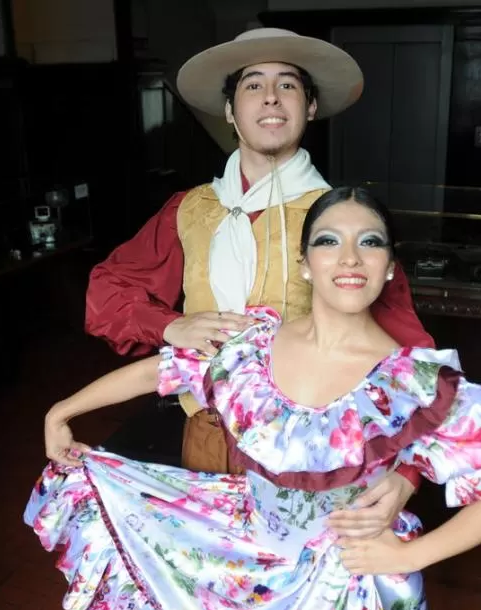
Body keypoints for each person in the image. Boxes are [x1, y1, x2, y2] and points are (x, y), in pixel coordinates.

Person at [27, 186, 481, 610]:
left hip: (349, 593)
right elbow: (157, 372)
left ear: (391, 266)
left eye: (371, 242)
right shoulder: (253, 345)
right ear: (306, 263)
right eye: (330, 241)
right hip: (247, 565)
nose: (351, 258)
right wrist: (63, 410)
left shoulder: (413, 381)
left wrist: (409, 556)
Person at [83, 28, 434, 538]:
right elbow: (106, 291)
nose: (270, 97)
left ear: (310, 107)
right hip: (204, 442)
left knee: (300, 604)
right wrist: (171, 326)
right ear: (230, 111)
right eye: (252, 85)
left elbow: (412, 357)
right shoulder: (191, 209)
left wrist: (405, 475)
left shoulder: (340, 220)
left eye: (288, 85)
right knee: (212, 601)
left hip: (312, 456)